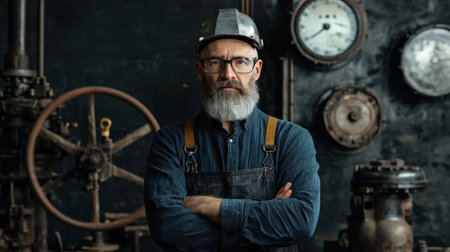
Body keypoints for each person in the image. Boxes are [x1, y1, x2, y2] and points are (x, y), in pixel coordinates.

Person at [144, 8, 320, 252]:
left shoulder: (292, 139)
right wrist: (265, 229)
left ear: (256, 70)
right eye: (215, 62)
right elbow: (167, 228)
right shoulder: (171, 142)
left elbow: (301, 220)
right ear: (200, 71)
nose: (228, 73)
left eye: (241, 62)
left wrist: (207, 206)